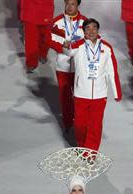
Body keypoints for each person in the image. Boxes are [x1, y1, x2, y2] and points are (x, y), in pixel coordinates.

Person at [64, 18, 122, 151]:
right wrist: (66, 47)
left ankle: (90, 152)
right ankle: (82, 145)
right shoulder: (78, 46)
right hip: (81, 93)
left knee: (95, 125)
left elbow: (112, 72)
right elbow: (68, 52)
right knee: (80, 125)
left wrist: (117, 92)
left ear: (98, 30)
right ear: (84, 32)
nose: (91, 31)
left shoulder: (107, 48)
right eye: (87, 29)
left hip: (100, 94)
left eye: (94, 28)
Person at [47, 0, 86, 132]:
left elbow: (91, 41)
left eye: (73, 4)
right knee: (65, 97)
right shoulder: (56, 21)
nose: (69, 7)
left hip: (79, 67)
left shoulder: (85, 23)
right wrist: (61, 47)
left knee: (79, 96)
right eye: (67, 3)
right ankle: (68, 123)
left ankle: (79, 121)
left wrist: (76, 49)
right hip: (62, 66)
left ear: (78, 5)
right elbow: (47, 38)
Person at [19, 0, 54, 72]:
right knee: (31, 40)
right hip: (29, 10)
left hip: (46, 10)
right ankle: (31, 63)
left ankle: (42, 54)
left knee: (46, 38)